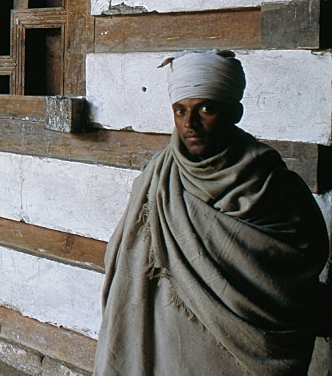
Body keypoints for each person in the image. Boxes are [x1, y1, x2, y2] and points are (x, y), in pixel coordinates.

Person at [94, 50, 329, 375]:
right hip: (167, 338)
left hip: (239, 352)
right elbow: (126, 258)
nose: (189, 124)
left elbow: (301, 262)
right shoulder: (160, 176)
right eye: (180, 111)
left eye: (206, 109)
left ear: (235, 112)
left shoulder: (271, 184)